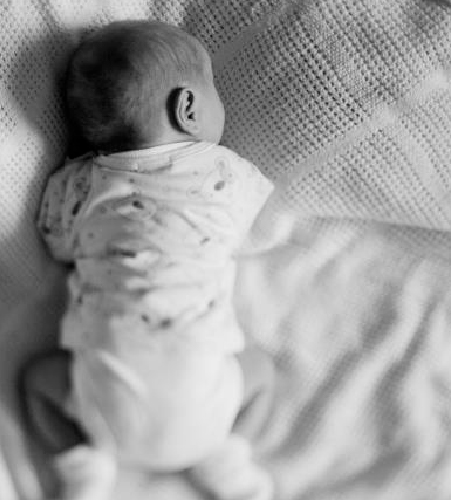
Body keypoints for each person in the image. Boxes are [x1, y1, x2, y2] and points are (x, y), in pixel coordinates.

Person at [22, 19, 276, 500]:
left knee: (36, 383)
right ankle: (228, 458)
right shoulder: (225, 174)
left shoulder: (76, 186)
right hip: (207, 409)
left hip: (106, 417)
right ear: (188, 107)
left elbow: (58, 245)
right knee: (262, 372)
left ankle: (85, 470)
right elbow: (244, 232)